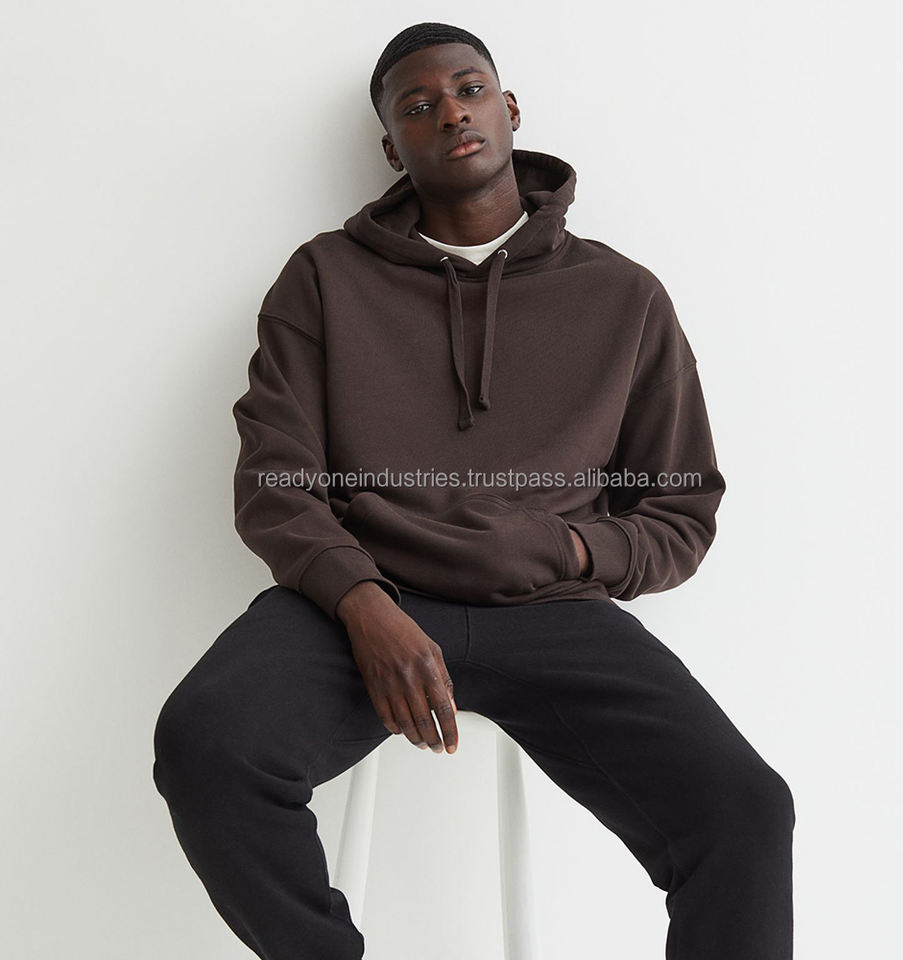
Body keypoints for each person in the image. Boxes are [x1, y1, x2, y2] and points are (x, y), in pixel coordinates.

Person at [152, 21, 795, 960]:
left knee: (746, 812)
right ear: (392, 148)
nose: (450, 112)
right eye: (417, 106)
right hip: (364, 601)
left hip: (554, 609)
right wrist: (365, 606)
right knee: (208, 746)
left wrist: (569, 549)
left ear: (510, 109)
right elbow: (275, 480)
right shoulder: (325, 277)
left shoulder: (623, 295)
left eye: (469, 89)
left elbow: (680, 508)